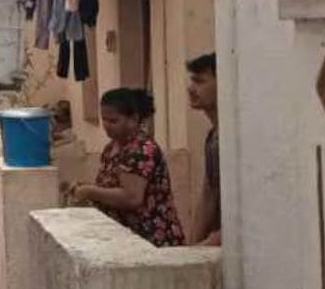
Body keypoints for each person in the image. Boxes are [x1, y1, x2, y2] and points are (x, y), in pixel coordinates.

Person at [68, 89, 183, 247]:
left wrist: (90, 192)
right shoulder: (111, 148)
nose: (107, 126)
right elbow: (110, 187)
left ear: (133, 119)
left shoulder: (141, 149)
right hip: (121, 238)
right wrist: (83, 187)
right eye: (104, 120)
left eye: (114, 121)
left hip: (149, 239)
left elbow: (132, 197)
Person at [187, 53, 221, 246]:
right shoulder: (212, 138)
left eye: (200, 82)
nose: (191, 89)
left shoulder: (239, 139)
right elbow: (208, 194)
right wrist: (192, 248)